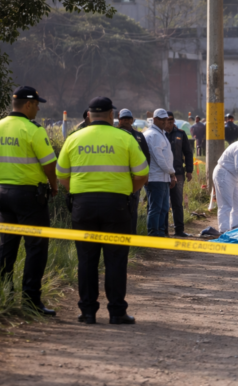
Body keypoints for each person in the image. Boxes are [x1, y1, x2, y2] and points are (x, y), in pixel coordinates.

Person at [56, 97, 149, 325]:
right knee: (116, 259)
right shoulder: (125, 138)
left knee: (86, 259)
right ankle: (116, 312)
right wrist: (126, 191)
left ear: (88, 116)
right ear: (111, 115)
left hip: (83, 205)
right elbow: (142, 174)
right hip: (116, 205)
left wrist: (78, 192)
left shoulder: (74, 138)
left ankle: (87, 312)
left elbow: (61, 175)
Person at [0, 86, 58, 316]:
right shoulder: (33, 130)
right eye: (36, 105)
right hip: (29, 197)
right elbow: (49, 165)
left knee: (7, 245)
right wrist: (54, 186)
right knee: (36, 247)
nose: (38, 109)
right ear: (28, 104)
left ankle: (4, 297)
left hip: (3, 194)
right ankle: (30, 301)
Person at [143, 108, 177, 236]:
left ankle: (161, 232)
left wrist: (169, 175)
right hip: (155, 177)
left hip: (162, 177)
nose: (164, 122)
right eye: (161, 119)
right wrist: (172, 173)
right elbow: (159, 158)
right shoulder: (153, 135)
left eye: (166, 119)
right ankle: (154, 234)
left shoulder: (160, 133)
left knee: (163, 208)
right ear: (155, 119)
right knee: (156, 208)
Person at [117, 109, 150, 234]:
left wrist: (146, 176)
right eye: (123, 119)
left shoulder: (138, 136)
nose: (126, 121)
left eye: (128, 119)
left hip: (134, 179)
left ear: (132, 120)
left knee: (132, 207)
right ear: (119, 120)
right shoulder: (114, 135)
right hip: (117, 179)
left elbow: (146, 156)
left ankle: (132, 235)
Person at [166, 112, 193, 237]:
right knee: (163, 203)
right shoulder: (160, 134)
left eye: (171, 119)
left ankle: (179, 230)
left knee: (177, 202)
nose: (169, 122)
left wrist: (189, 170)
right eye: (167, 120)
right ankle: (163, 230)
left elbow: (188, 153)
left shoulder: (180, 134)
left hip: (178, 172)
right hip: (163, 173)